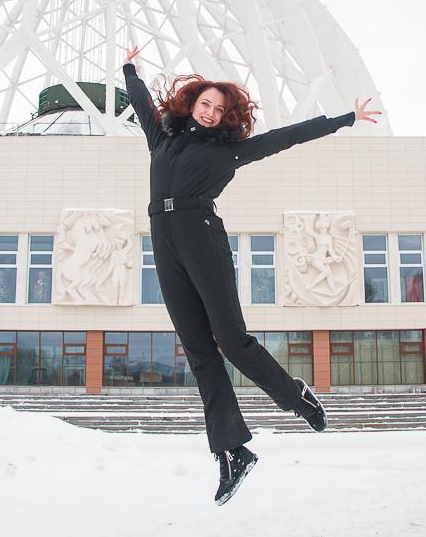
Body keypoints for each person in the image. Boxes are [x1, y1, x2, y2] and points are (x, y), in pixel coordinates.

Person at [123, 46, 381, 505]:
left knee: (231, 340)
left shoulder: (230, 152)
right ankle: (232, 452)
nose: (209, 112)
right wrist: (130, 69)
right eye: (205, 103)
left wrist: (345, 119)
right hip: (163, 241)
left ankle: (296, 397)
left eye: (219, 109)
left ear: (226, 117)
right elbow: (141, 102)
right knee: (199, 353)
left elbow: (287, 137)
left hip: (203, 237)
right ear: (192, 104)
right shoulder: (161, 139)